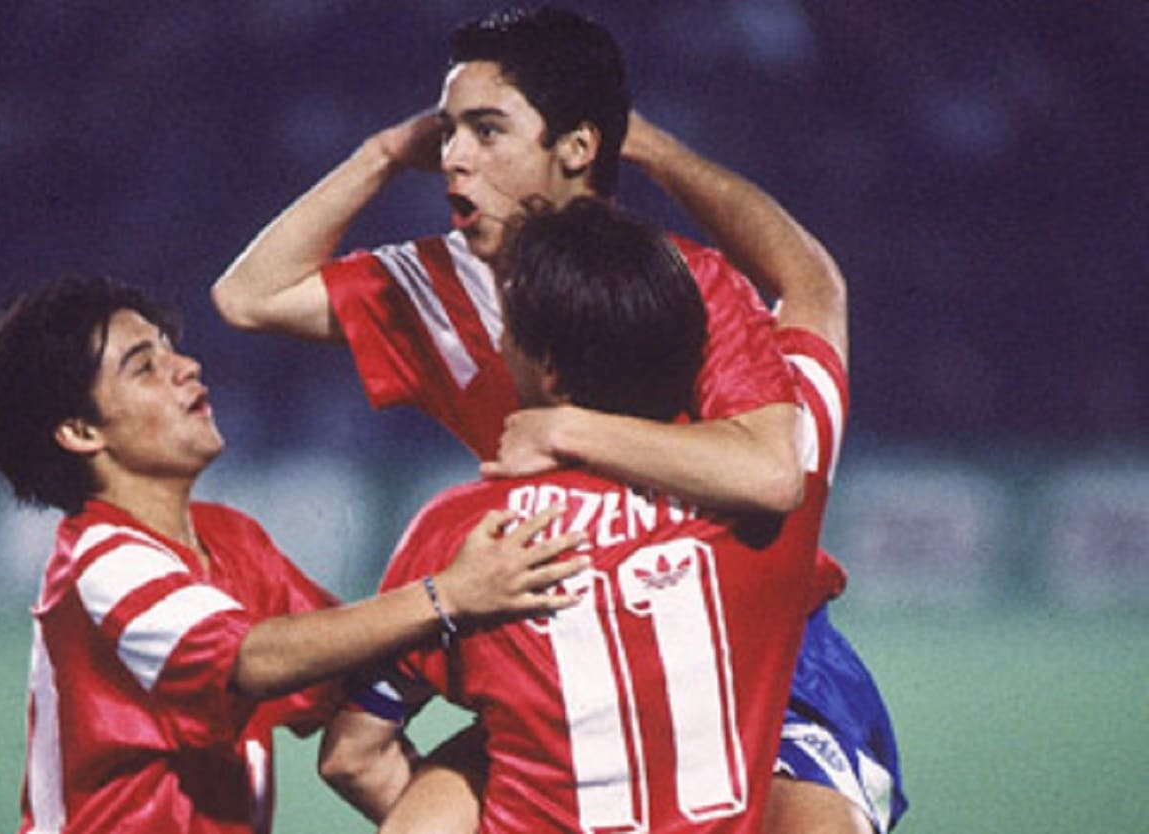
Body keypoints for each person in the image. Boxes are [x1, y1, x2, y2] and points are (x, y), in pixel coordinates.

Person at [212, 6, 905, 832]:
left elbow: (767, 472)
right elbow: (247, 297)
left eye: (485, 132)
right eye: (446, 134)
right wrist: (381, 154)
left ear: (578, 147)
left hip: (746, 647)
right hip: (556, 630)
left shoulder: (680, 285)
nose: (453, 160)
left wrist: (566, 429)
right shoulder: (435, 283)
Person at [0, 274, 589, 834]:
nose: (185, 366)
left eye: (171, 348)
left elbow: (350, 671)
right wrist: (447, 596)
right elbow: (252, 660)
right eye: (144, 366)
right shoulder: (98, 561)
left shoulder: (232, 541)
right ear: (81, 432)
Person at [320, 197, 828, 833]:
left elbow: (352, 757)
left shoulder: (466, 538)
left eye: (508, 331)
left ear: (551, 371)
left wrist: (448, 792)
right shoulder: (770, 514)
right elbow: (814, 289)